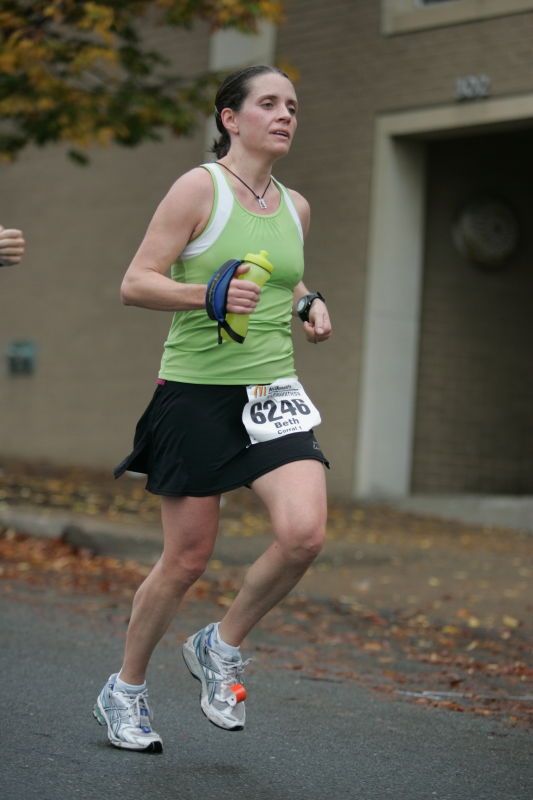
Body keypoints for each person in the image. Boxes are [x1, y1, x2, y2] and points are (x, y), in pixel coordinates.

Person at [93, 64, 332, 753]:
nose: (285, 114)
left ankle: (219, 645)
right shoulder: (198, 188)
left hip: (272, 393)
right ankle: (126, 690)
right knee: (186, 559)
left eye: (292, 104)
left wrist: (305, 302)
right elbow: (135, 282)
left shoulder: (296, 206)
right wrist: (207, 297)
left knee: (303, 534)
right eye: (268, 103)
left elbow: (280, 273)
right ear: (231, 118)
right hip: (195, 393)